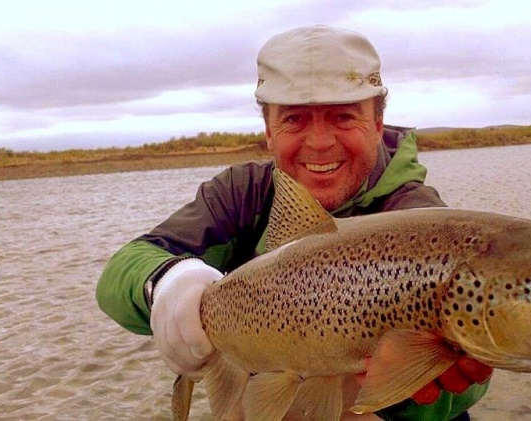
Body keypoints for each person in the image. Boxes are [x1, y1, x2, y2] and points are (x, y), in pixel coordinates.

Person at [96, 25, 492, 420]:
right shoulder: (244, 194)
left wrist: (404, 386)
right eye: (295, 120)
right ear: (269, 131)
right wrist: (168, 284)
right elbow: (121, 272)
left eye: (343, 117)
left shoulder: (419, 221)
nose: (319, 142)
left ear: (376, 124)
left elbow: (457, 400)